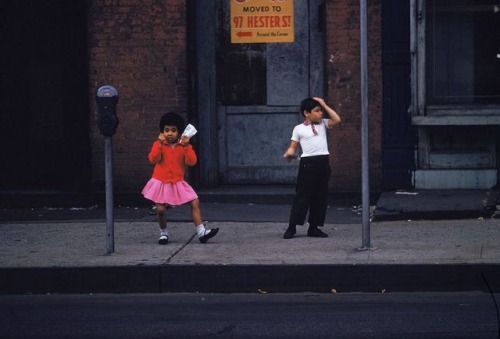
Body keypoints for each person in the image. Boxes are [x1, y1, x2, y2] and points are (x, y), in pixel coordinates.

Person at [142, 112, 219, 244]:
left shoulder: (184, 146)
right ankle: (163, 233)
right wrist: (160, 145)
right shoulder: (158, 144)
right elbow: (153, 159)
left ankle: (201, 232)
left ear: (179, 132)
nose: (170, 133)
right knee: (160, 209)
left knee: (194, 202)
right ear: (162, 132)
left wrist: (186, 147)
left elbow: (192, 162)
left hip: (178, 181)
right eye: (166, 130)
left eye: (173, 130)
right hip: (160, 181)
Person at [282, 97, 341, 239]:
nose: (321, 113)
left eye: (321, 111)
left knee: (320, 196)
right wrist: (289, 154)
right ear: (306, 113)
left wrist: (324, 104)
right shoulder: (299, 129)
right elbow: (292, 147)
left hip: (323, 162)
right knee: (302, 196)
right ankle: (292, 227)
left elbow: (337, 120)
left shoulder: (323, 124)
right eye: (317, 111)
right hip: (308, 164)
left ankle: (314, 227)